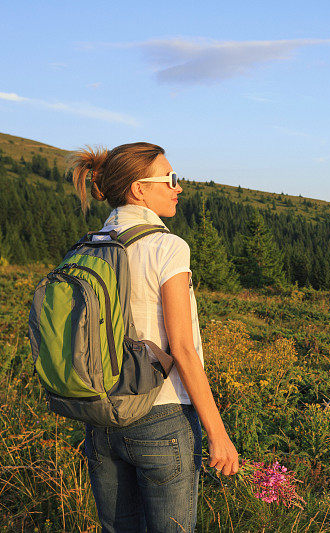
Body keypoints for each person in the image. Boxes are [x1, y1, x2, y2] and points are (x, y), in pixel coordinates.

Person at [70, 142, 239, 532]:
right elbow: (181, 347)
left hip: (101, 415)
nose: (178, 187)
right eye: (170, 179)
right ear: (139, 189)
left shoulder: (89, 246)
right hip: (162, 415)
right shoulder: (168, 247)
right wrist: (218, 433)